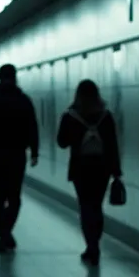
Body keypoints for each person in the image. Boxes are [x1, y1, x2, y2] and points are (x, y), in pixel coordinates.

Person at [56, 79, 122, 266]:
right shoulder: (106, 116)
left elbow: (61, 142)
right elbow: (112, 145)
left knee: (85, 207)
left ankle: (91, 245)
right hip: (102, 168)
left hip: (80, 168)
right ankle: (95, 243)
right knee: (97, 206)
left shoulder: (70, 116)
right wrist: (116, 171)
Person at [0, 64, 39, 253]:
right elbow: (32, 127)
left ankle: (3, 235)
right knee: (14, 198)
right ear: (15, 77)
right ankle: (6, 233)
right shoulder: (23, 100)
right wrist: (35, 151)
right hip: (17, 155)